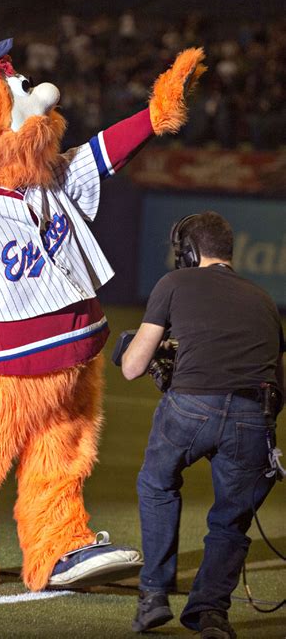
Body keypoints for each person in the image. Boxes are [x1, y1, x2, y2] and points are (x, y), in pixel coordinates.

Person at [120, 211, 284, 639]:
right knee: (231, 520)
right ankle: (210, 613)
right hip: (254, 419)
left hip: (191, 408)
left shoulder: (173, 284)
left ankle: (154, 595)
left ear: (189, 252)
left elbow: (133, 367)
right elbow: (279, 382)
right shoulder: (264, 299)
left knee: (158, 483)